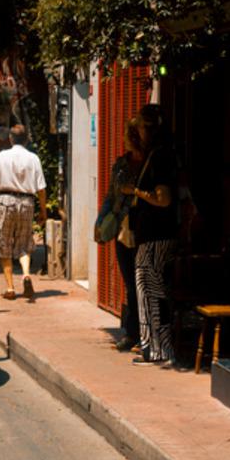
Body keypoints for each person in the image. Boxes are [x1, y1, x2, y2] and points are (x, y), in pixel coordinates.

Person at [122, 106, 179, 366]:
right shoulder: (161, 155)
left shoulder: (159, 157)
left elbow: (163, 199)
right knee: (153, 291)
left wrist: (137, 191)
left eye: (142, 127)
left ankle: (156, 350)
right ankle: (156, 348)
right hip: (155, 235)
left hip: (155, 236)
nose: (138, 132)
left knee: (150, 290)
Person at [94, 121, 149, 352]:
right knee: (130, 283)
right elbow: (110, 196)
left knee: (144, 284)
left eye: (129, 137)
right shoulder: (120, 166)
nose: (126, 142)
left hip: (146, 229)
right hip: (124, 230)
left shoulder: (151, 164)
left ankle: (144, 335)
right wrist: (100, 223)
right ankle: (132, 332)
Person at [0, 124, 47, 303]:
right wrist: (43, 212)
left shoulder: (2, 156)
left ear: (10, 139)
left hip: (7, 201)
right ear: (26, 140)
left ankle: (10, 288)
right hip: (27, 202)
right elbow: (41, 189)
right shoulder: (33, 158)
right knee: (24, 242)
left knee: (4, 243)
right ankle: (26, 275)